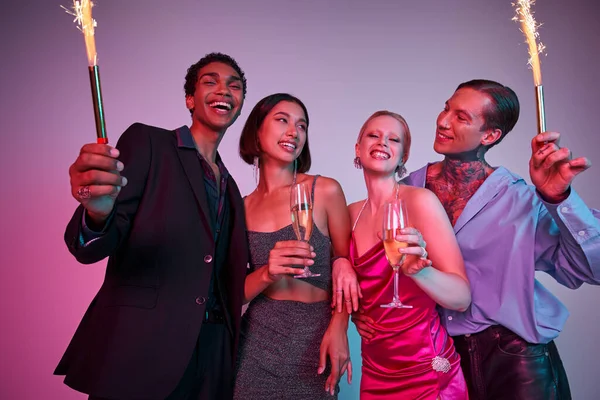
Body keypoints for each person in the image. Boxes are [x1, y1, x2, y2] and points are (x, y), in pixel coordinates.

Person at [353, 79, 600, 400]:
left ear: (490, 135)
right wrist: (354, 297)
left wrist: (559, 198)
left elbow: (591, 269)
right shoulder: (407, 191)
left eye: (461, 117)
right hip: (439, 361)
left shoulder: (519, 198)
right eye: (446, 109)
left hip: (515, 361)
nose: (443, 121)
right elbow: (379, 268)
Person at [55, 53, 250, 400]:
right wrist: (98, 214)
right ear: (190, 98)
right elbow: (92, 245)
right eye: (211, 81)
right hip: (142, 349)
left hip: (213, 354)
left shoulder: (232, 188)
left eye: (234, 86)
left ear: (238, 105)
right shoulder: (149, 143)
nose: (224, 89)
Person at [233, 93, 354, 399]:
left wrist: (340, 325)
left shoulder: (324, 190)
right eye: (282, 120)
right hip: (255, 347)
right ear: (257, 132)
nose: (294, 132)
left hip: (316, 342)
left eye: (302, 125)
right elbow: (232, 295)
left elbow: (349, 267)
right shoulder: (240, 208)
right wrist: (266, 274)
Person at [349, 110, 471, 399]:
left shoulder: (420, 201)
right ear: (358, 147)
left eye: (393, 139)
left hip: (425, 371)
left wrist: (421, 272)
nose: (382, 142)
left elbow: (462, 297)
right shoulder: (349, 214)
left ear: (402, 156)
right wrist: (353, 311)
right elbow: (353, 286)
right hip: (376, 370)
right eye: (373, 135)